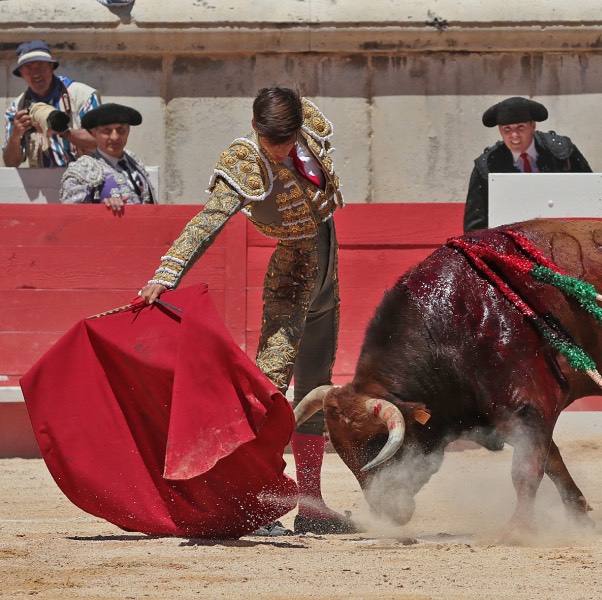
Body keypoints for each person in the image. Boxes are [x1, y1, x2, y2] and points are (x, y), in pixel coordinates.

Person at [138, 86, 356, 536]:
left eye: (287, 140)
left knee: (316, 388)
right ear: (255, 127)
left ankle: (312, 506)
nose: (279, 150)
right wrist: (167, 273)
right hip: (292, 278)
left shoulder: (305, 129)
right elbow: (207, 220)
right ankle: (254, 505)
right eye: (272, 140)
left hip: (327, 271)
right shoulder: (244, 161)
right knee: (269, 390)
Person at [463, 96, 592, 232]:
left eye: (520, 127)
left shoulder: (561, 152)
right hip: (512, 237)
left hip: (562, 232)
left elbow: (590, 192)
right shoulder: (486, 166)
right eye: (507, 129)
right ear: (500, 130)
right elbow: (475, 225)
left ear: (533, 126)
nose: (514, 135)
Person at [3, 40, 101, 168]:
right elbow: (11, 163)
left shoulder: (84, 96)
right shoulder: (16, 109)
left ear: (51, 67)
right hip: (42, 179)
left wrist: (62, 130)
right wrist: (15, 137)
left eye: (41, 66)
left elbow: (101, 146)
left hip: (86, 176)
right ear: (21, 73)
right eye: (28, 68)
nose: (36, 74)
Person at [60, 103, 155, 214]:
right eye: (107, 131)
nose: (115, 137)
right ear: (94, 133)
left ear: (128, 131)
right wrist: (103, 210)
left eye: (121, 130)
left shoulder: (134, 161)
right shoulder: (82, 169)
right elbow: (72, 216)